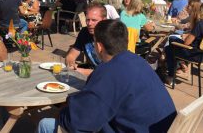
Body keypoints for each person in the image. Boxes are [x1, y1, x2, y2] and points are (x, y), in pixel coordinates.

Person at [38, 20, 177, 133]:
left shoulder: (108, 72)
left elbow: (79, 122)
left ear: (99, 47)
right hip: (160, 127)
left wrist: (63, 112)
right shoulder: (139, 61)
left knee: (45, 124)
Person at [164, 1, 203, 84]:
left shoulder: (201, 24)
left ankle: (171, 76)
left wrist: (185, 37)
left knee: (170, 45)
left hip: (195, 55)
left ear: (202, 10)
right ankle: (180, 65)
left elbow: (186, 43)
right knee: (173, 43)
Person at [65, 3, 107, 76]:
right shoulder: (85, 32)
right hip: (90, 74)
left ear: (104, 20)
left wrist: (81, 70)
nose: (89, 23)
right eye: (87, 20)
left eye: (94, 20)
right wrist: (71, 63)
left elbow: (110, 72)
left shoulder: (111, 36)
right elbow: (72, 54)